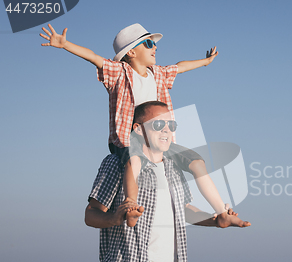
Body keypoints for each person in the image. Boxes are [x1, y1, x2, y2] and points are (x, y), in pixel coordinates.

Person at [40, 23, 228, 228]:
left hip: (158, 140)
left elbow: (180, 66)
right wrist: (66, 45)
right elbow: (94, 57)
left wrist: (206, 62)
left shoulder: (158, 74)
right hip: (128, 139)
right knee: (134, 161)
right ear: (131, 51)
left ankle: (222, 211)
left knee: (197, 162)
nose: (155, 47)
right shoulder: (119, 72)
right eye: (148, 43)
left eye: (154, 44)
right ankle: (131, 208)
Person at [85, 101, 250, 262]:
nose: (166, 129)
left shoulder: (173, 166)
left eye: (171, 124)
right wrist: (116, 218)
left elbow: (183, 210)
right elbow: (91, 215)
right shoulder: (116, 164)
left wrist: (216, 220)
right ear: (137, 129)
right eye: (158, 124)